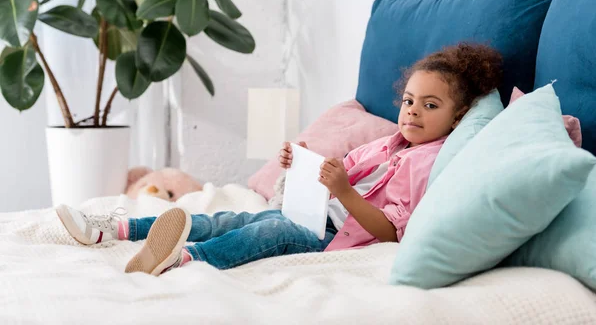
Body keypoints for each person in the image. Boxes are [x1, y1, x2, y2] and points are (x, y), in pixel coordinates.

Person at [56, 42, 503, 276]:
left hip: (336, 237)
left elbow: (389, 230)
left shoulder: (429, 162)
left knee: (268, 231)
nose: (412, 112)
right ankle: (116, 229)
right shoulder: (385, 145)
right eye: (409, 101)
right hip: (314, 213)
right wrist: (302, 162)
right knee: (231, 217)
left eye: (430, 105)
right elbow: (340, 171)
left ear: (459, 115)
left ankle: (183, 259)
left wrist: (343, 191)